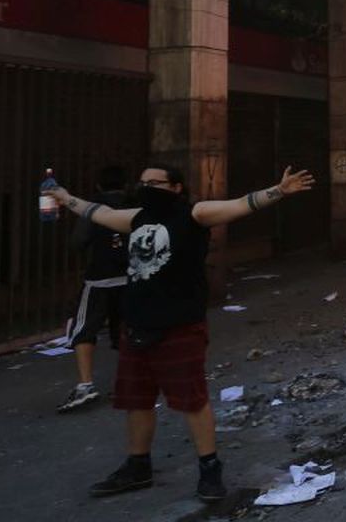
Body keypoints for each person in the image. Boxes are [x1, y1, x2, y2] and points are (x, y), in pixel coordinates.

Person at [45, 164, 315, 502]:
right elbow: (98, 213)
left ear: (176, 187)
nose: (146, 187)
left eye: (154, 183)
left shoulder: (193, 214)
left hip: (178, 325)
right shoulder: (137, 218)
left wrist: (278, 191)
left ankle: (209, 468)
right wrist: (66, 197)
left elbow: (238, 205)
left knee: (191, 400)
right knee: (137, 400)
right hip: (138, 324)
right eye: (142, 182)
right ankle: (137, 464)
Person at [58, 165, 129, 413]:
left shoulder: (94, 209)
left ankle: (86, 383)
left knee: (84, 328)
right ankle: (128, 379)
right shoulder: (134, 205)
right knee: (127, 328)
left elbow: (78, 242)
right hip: (130, 277)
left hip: (99, 279)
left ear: (98, 186)